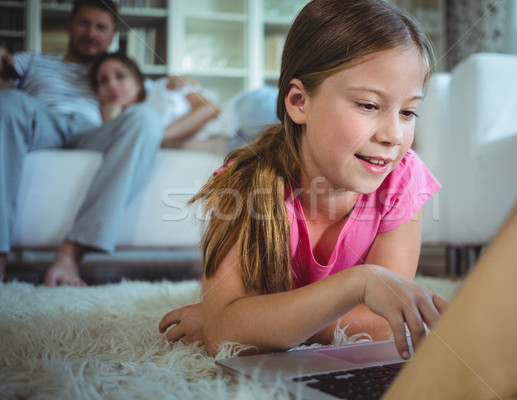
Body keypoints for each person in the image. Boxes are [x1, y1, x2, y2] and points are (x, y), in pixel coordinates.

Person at [159, 0, 447, 359]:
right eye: (369, 106)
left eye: (408, 112)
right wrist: (358, 285)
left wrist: (262, 323)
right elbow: (224, 335)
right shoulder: (246, 186)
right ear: (299, 102)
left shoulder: (403, 179)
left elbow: (388, 322)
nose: (393, 135)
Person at [0, 0, 163, 286]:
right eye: (84, 24)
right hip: (41, 121)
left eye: (102, 27)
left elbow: (156, 100)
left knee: (146, 119)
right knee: (8, 101)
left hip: (92, 132)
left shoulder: (111, 73)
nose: (92, 33)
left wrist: (184, 87)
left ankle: (70, 256)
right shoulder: (33, 60)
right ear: (70, 26)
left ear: (112, 36)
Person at [88, 51, 220, 147]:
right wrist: (111, 120)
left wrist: (157, 136)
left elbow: (210, 108)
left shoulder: (167, 85)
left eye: (120, 76)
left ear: (138, 81)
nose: (112, 85)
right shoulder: (104, 116)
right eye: (103, 81)